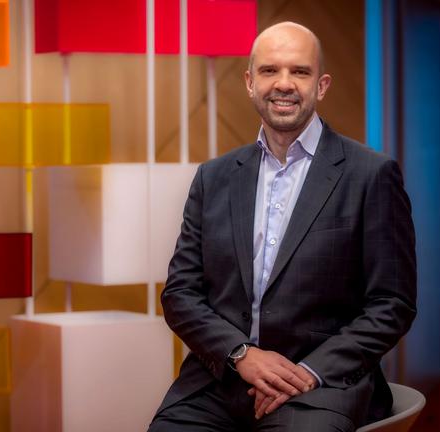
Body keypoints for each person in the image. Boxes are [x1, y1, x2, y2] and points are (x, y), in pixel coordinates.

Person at [149, 21, 417, 432]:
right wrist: (241, 354)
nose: (284, 83)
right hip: (220, 381)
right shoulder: (213, 178)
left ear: (321, 86)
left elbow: (392, 303)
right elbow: (180, 293)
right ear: (250, 82)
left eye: (300, 71)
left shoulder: (371, 175)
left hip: (319, 388)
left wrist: (307, 372)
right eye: (270, 70)